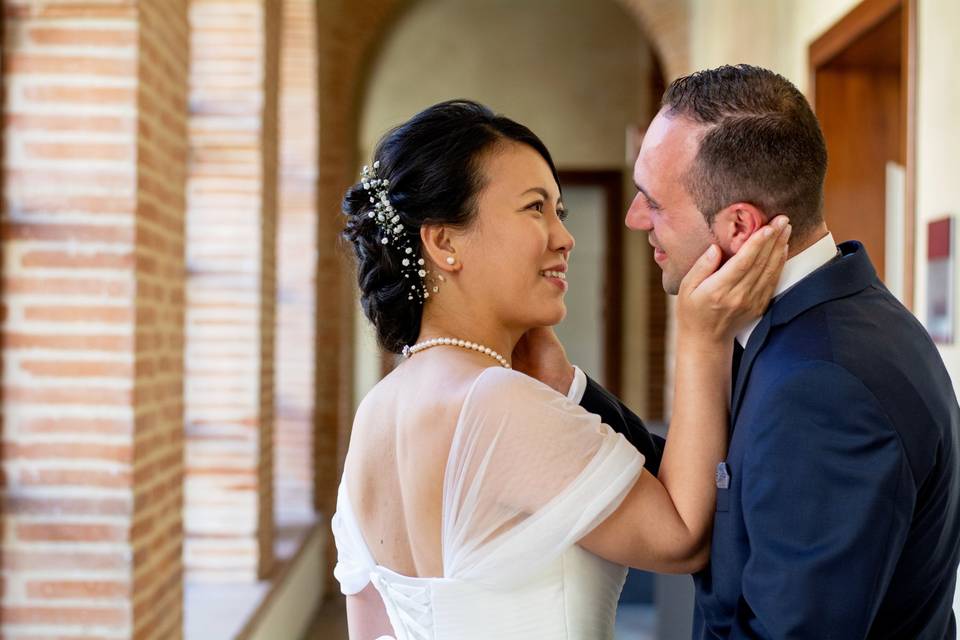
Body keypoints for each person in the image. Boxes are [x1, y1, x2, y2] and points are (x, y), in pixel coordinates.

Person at [526, 64, 960, 639]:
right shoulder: (815, 324)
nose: (635, 219)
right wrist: (569, 390)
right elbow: (727, 490)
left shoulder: (824, 384)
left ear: (737, 226)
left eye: (653, 202)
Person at [332, 99, 790, 640]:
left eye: (560, 212)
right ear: (444, 242)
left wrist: (567, 387)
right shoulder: (496, 402)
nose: (563, 237)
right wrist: (701, 337)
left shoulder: (378, 411)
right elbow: (684, 538)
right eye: (534, 209)